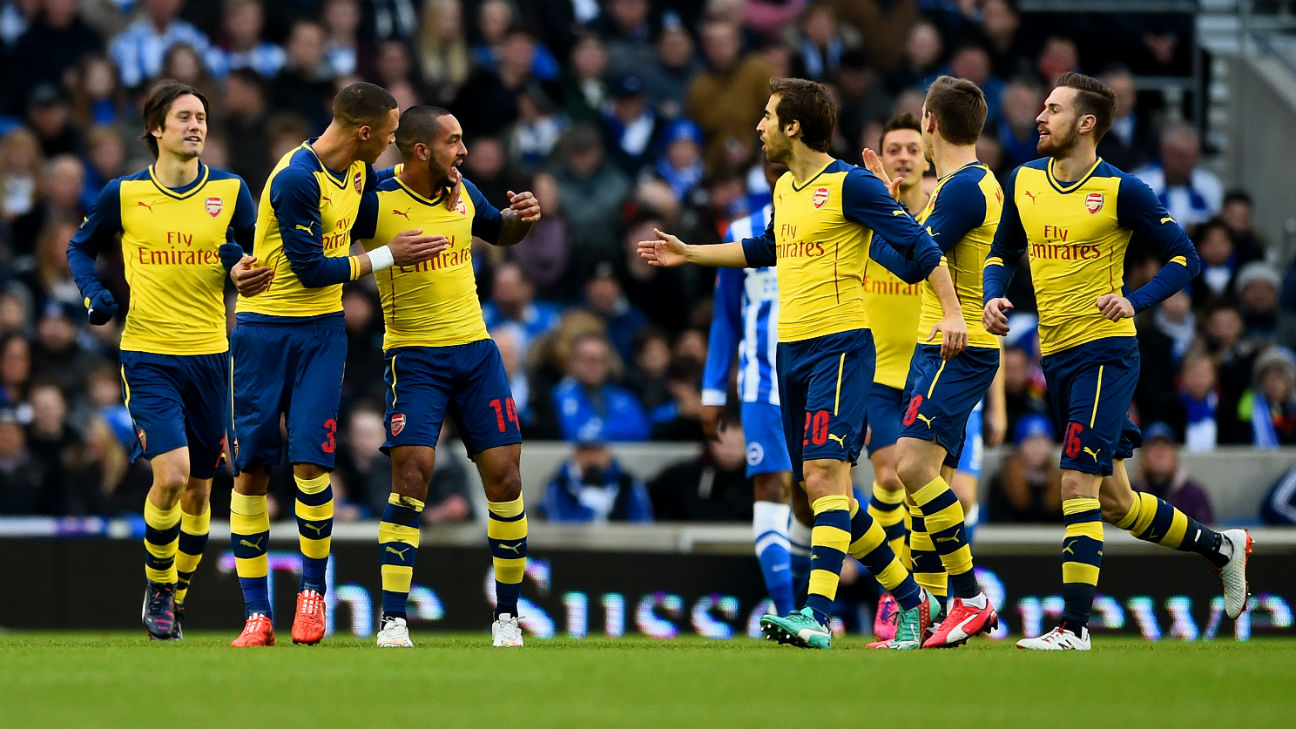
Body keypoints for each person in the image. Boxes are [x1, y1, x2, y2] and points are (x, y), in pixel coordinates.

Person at [638, 77, 967, 650]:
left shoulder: (851, 185)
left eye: (768, 116)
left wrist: (952, 311)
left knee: (822, 479)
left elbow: (921, 245)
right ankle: (916, 600)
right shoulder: (788, 188)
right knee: (825, 493)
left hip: (839, 348)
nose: (759, 126)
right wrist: (689, 252)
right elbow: (766, 248)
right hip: (789, 352)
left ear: (794, 126)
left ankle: (816, 615)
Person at [983, 72, 1250, 650]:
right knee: (1116, 500)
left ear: (1085, 123)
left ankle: (1074, 627)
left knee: (1076, 478)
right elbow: (1003, 248)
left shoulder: (1122, 190)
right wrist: (991, 293)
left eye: (1052, 109)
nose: (1039, 117)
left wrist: (1136, 300)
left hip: (1105, 351)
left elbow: (1185, 258)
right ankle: (1222, 546)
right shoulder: (1024, 179)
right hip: (1054, 354)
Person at [226, 82, 445, 648]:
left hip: (322, 334)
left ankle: (312, 595)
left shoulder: (357, 172)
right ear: (365, 132)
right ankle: (256, 614)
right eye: (392, 135)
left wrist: (444, 185)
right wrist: (388, 256)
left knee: (310, 467)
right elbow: (310, 271)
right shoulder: (297, 177)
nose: (396, 145)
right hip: (264, 330)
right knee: (250, 467)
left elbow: (382, 203)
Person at [65, 80, 256, 641]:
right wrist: (93, 293)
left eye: (201, 117)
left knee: (201, 490)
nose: (197, 126)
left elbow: (257, 260)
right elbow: (80, 247)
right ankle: (159, 589)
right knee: (170, 477)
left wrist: (240, 266)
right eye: (185, 117)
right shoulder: (123, 195)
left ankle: (176, 594)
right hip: (150, 355)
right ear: (156, 129)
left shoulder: (230, 189)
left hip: (212, 358)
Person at [350, 105, 542, 648]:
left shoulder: (462, 190)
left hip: (477, 355)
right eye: (453, 141)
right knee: (411, 476)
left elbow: (498, 232)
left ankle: (507, 616)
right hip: (414, 356)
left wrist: (522, 222)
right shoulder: (376, 199)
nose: (463, 150)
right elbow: (321, 250)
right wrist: (385, 256)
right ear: (420, 150)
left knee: (506, 478)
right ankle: (392, 620)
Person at [865, 77, 1005, 649]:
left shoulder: (963, 191)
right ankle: (926, 614)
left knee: (910, 467)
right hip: (942, 344)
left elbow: (906, 261)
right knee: (934, 481)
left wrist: (879, 206)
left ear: (929, 124)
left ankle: (969, 598)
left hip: (954, 345)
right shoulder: (973, 185)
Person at [701, 160, 798, 617]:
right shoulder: (743, 229)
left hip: (821, 378)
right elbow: (725, 315)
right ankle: (787, 607)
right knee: (772, 486)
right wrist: (712, 390)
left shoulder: (836, 219)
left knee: (815, 494)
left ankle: (812, 607)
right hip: (761, 381)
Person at [858, 113, 929, 640]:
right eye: (894, 148)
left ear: (928, 157)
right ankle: (896, 594)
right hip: (877, 375)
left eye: (912, 148)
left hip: (930, 370)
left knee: (934, 491)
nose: (903, 156)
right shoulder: (863, 216)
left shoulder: (946, 220)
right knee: (889, 476)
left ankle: (932, 598)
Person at [1131, 422, 1215, 524]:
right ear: (1143, 456)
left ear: (1175, 455)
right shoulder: (1131, 493)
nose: (1159, 452)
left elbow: (1208, 532)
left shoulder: (1194, 494)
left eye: (1165, 446)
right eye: (1153, 446)